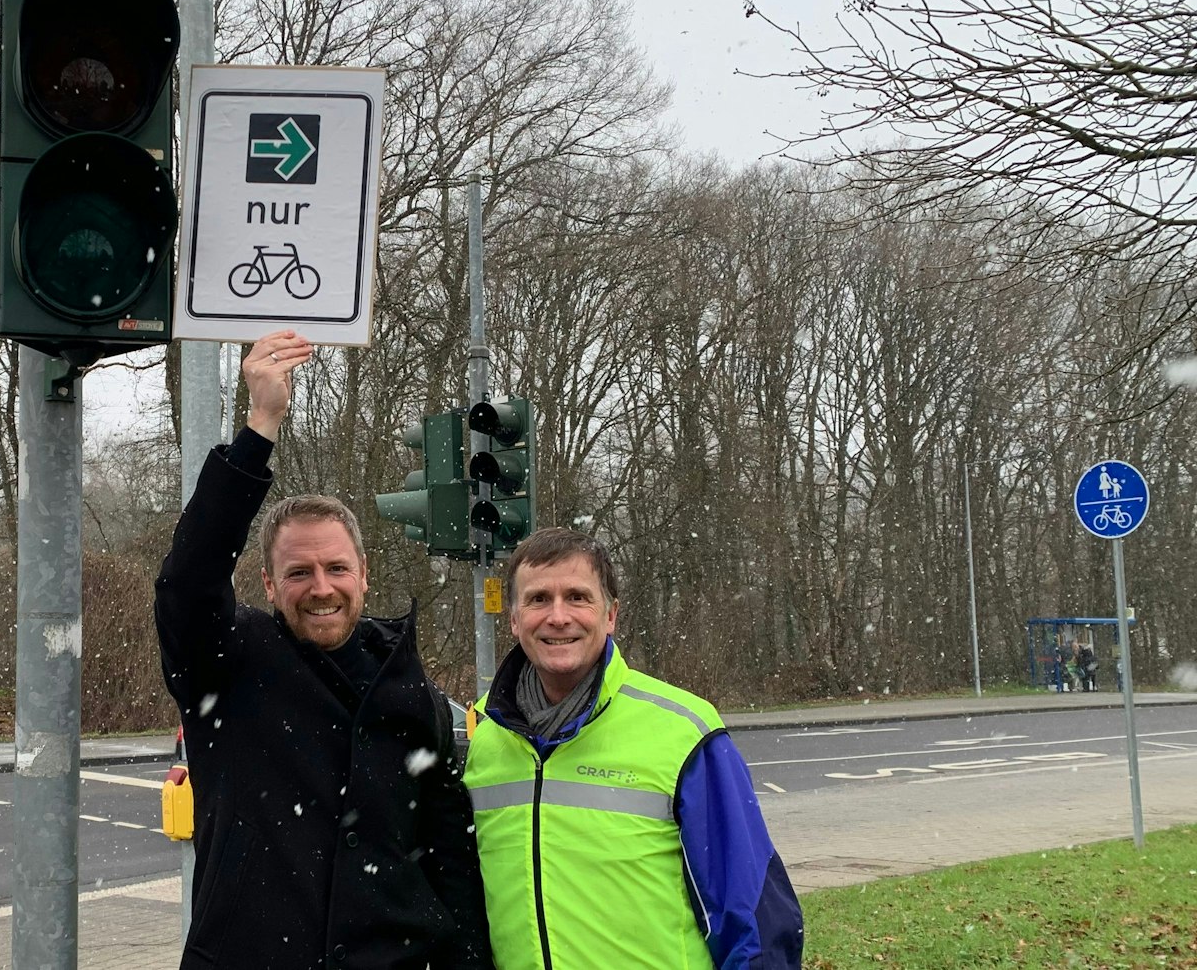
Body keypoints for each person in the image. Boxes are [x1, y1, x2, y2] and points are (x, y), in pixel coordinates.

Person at [155, 330, 490, 970]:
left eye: (336, 568)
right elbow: (188, 581)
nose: (321, 588)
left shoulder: (410, 687)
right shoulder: (229, 662)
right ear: (268, 584)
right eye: (299, 572)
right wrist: (260, 425)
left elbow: (450, 856)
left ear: (364, 575)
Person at [464, 527, 803, 969]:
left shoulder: (685, 731)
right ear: (513, 618)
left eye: (578, 597)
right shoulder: (485, 736)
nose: (558, 616)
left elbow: (754, 924)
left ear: (611, 615)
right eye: (538, 599)